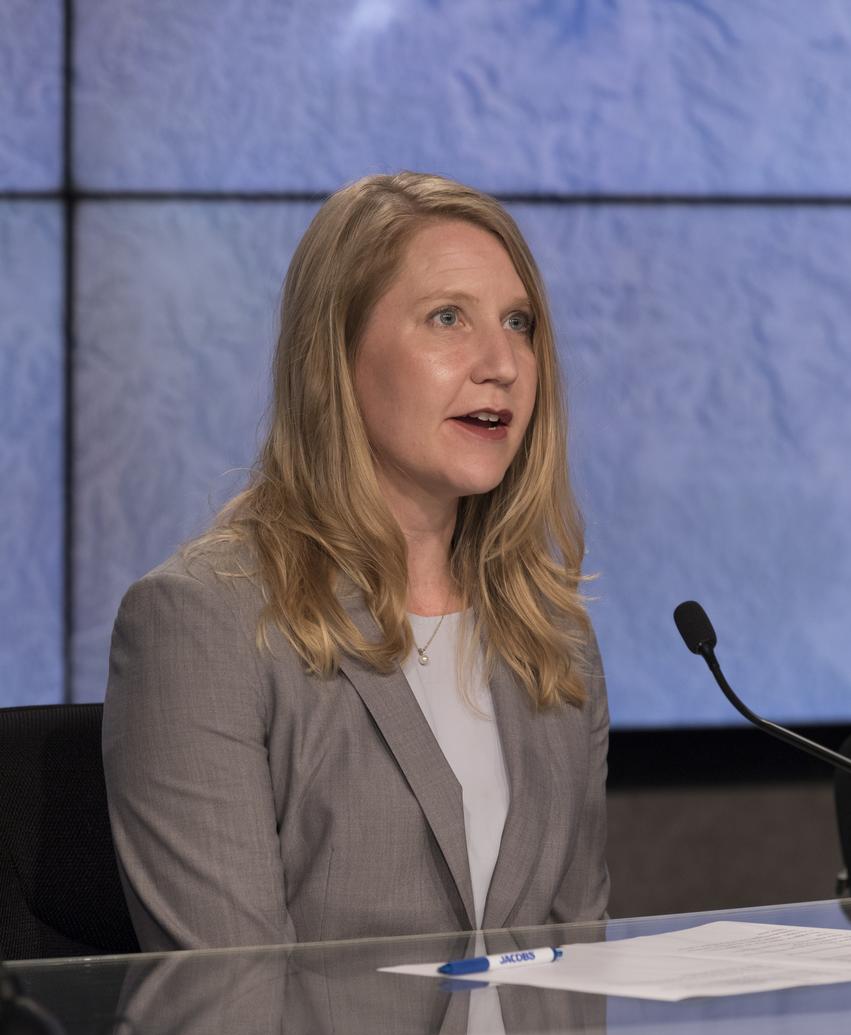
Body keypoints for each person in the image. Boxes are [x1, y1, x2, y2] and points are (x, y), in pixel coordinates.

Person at [102, 171, 609, 952]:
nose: (501, 364)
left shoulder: (551, 635)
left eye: (518, 323)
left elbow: (578, 963)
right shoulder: (203, 624)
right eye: (447, 318)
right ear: (333, 355)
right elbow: (228, 1008)